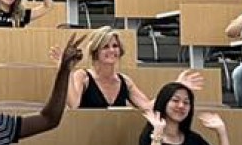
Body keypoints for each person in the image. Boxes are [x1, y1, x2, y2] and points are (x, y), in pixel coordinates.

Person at [65, 28, 202, 111]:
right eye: (105, 47)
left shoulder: (124, 81)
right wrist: (67, 69)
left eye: (115, 46)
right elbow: (73, 105)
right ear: (95, 52)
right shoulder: (82, 76)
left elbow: (148, 107)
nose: (112, 50)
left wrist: (177, 86)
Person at [138, 81, 229, 145]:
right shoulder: (149, 136)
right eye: (175, 100)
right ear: (164, 102)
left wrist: (222, 133)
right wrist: (157, 134)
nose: (181, 106)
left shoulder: (194, 139)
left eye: (186, 102)